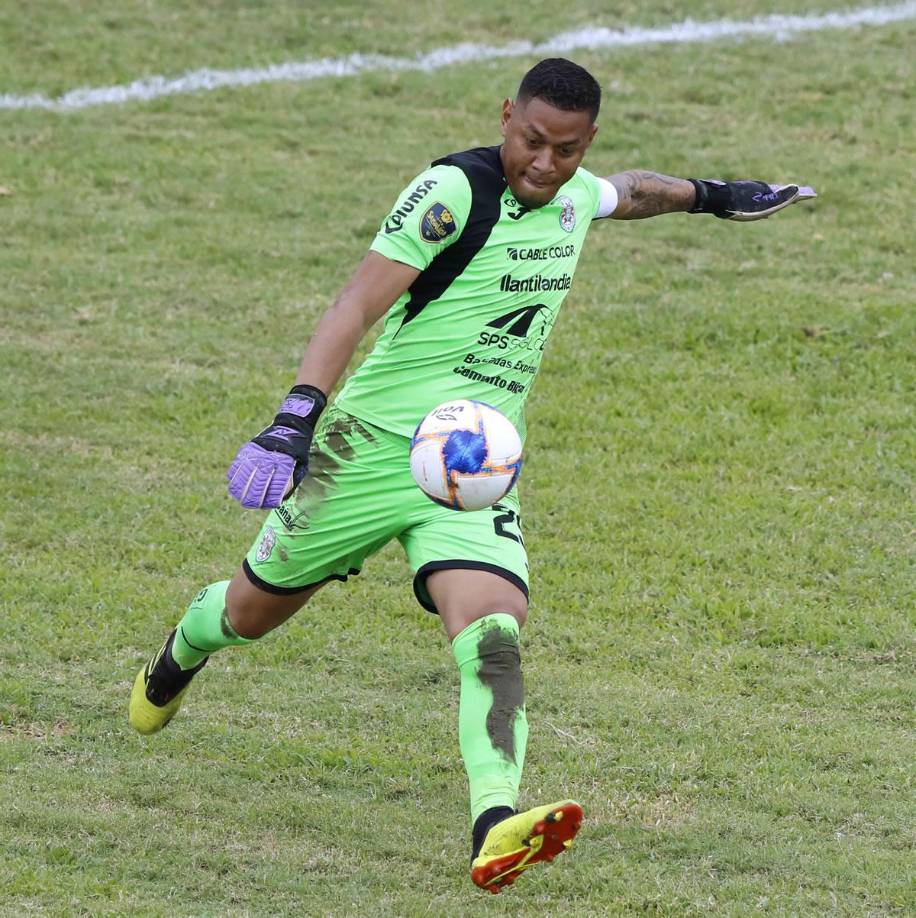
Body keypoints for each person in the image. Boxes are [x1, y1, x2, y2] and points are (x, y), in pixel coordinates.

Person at [129, 58, 814, 893]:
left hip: (473, 463)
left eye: (565, 150)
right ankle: (182, 649)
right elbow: (354, 304)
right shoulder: (453, 193)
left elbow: (630, 191)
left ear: (584, 143)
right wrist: (296, 417)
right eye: (531, 141)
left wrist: (718, 194)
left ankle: (496, 823)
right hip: (366, 450)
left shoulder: (573, 194)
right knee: (250, 610)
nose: (543, 164)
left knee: (494, 635)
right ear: (505, 119)